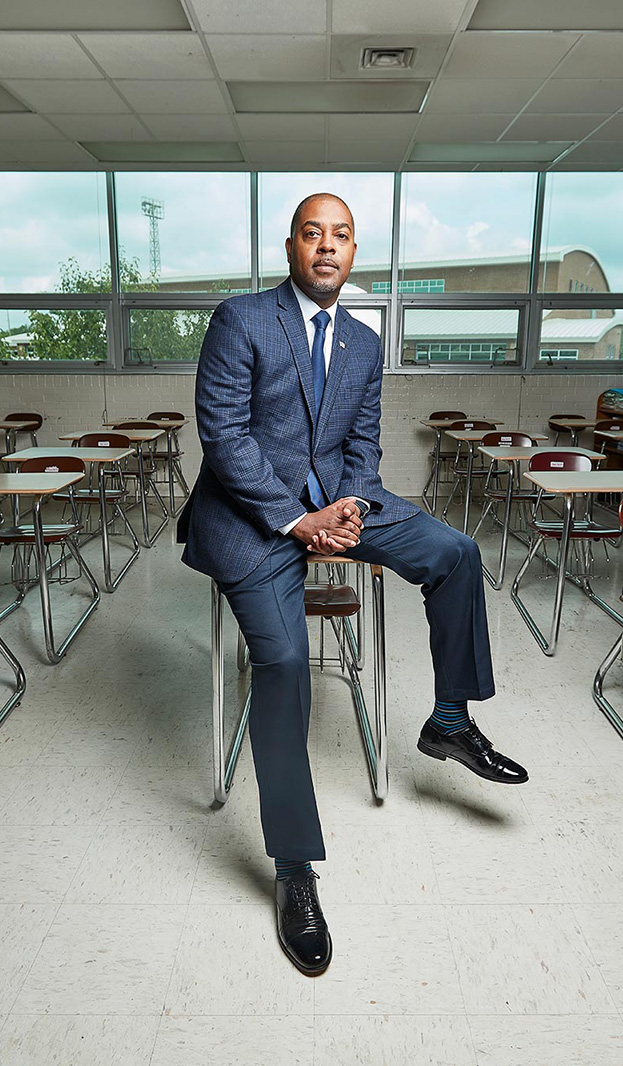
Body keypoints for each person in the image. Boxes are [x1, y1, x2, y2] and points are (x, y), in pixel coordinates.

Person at [178, 192, 528, 977]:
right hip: (249, 517)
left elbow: (362, 450)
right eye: (313, 234)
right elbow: (224, 438)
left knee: (456, 552)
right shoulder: (241, 320)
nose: (326, 247)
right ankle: (294, 869)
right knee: (284, 663)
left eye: (340, 236)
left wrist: (351, 510)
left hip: (340, 504)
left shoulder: (365, 345)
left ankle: (446, 721)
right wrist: (296, 522)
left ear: (352, 251)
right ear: (292, 246)